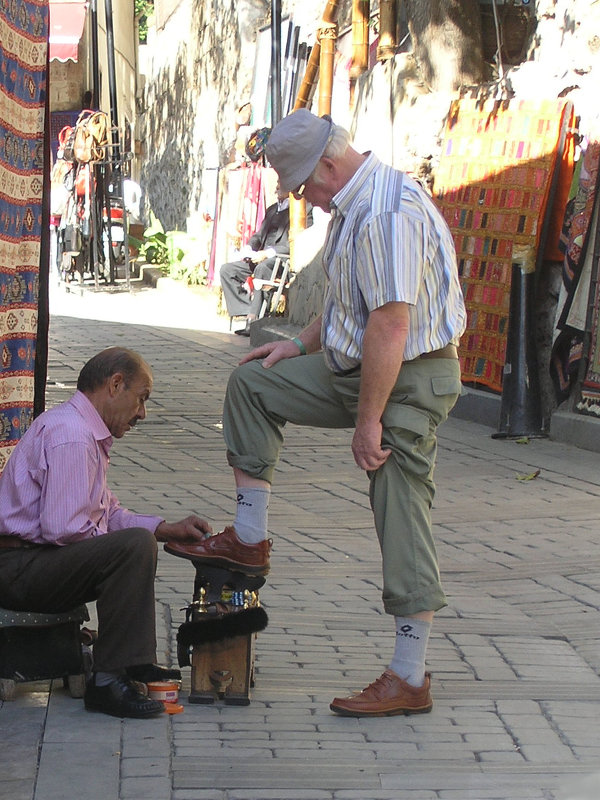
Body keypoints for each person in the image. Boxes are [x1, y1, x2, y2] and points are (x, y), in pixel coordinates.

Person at [166, 109, 466, 717]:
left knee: (398, 500)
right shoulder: (354, 206)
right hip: (359, 365)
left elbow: (390, 322)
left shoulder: (386, 211)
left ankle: (409, 675)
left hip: (408, 378)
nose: (305, 199)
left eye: (304, 186)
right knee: (253, 383)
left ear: (330, 164)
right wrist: (297, 345)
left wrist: (368, 420)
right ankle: (248, 540)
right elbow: (347, 307)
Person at [0, 347, 212, 719]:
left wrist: (163, 529)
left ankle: (131, 663)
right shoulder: (72, 435)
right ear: (116, 384)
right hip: (16, 567)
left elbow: (106, 512)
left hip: (32, 561)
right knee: (131, 548)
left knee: (135, 544)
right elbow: (64, 529)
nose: (142, 414)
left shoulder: (84, 433)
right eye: (141, 399)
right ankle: (108, 679)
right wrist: (125, 549)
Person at [219, 182, 311, 335]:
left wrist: (268, 253)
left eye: (280, 184)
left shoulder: (304, 210)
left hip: (281, 261)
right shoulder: (272, 210)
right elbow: (259, 235)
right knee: (227, 270)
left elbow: (297, 242)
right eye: (275, 184)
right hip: (260, 258)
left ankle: (253, 319)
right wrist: (248, 248)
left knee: (263, 268)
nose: (276, 188)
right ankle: (247, 309)